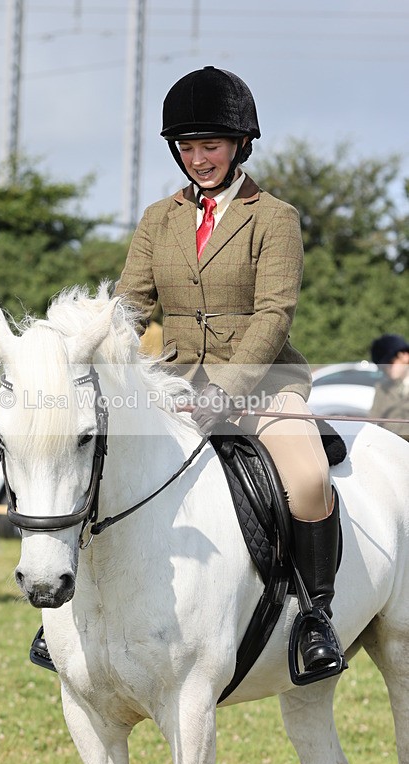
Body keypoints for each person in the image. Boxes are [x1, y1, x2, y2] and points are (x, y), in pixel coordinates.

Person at [113, 66, 345, 680]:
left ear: (240, 143)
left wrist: (224, 391)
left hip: (263, 386)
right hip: (175, 386)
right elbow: (130, 306)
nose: (198, 159)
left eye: (209, 145)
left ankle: (315, 617)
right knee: (103, 461)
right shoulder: (157, 219)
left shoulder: (274, 217)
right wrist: (98, 354)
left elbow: (273, 314)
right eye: (186, 148)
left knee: (308, 477)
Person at [369, 334, 409, 442]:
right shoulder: (382, 388)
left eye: (390, 363)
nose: (387, 369)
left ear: (404, 355)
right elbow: (372, 422)